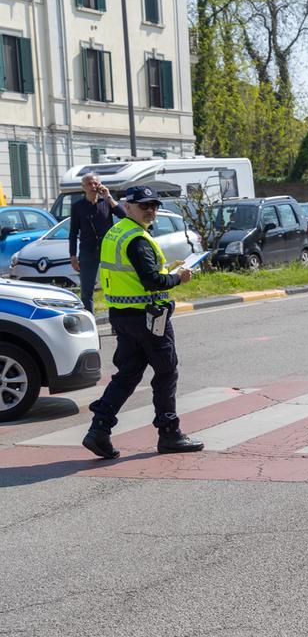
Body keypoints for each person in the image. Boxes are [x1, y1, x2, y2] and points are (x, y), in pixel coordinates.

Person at [82, 185, 203, 459]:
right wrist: (178, 278)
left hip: (123, 317)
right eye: (144, 205)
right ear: (128, 206)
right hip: (148, 318)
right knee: (166, 372)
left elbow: (135, 276)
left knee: (128, 374)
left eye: (154, 206)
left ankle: (98, 429)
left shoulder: (117, 231)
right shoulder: (137, 239)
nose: (150, 210)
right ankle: (169, 433)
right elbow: (151, 280)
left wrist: (168, 271)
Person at [69, 174, 127, 311]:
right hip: (87, 251)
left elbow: (124, 215)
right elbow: (73, 232)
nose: (93, 186)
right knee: (87, 290)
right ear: (84, 187)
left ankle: (117, 321)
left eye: (95, 183)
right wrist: (73, 256)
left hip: (108, 249)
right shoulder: (78, 207)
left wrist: (109, 197)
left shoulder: (106, 202)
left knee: (114, 286)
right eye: (89, 184)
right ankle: (90, 324)